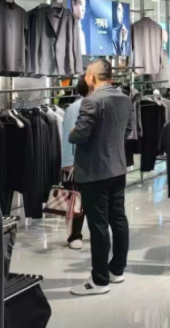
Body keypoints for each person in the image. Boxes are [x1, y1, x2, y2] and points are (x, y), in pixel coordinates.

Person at [69, 58, 133, 296]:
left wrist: (72, 132)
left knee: (98, 225)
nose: (86, 77)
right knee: (118, 218)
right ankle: (117, 270)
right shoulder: (124, 98)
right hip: (117, 168)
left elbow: (79, 135)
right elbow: (128, 130)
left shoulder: (92, 100)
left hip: (95, 171)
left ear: (93, 76)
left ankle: (99, 280)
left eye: (87, 73)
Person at [61, 78, 90, 250]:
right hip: (78, 161)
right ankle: (74, 234)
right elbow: (67, 137)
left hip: (94, 161)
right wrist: (68, 162)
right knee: (77, 199)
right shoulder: (75, 108)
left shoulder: (98, 105)